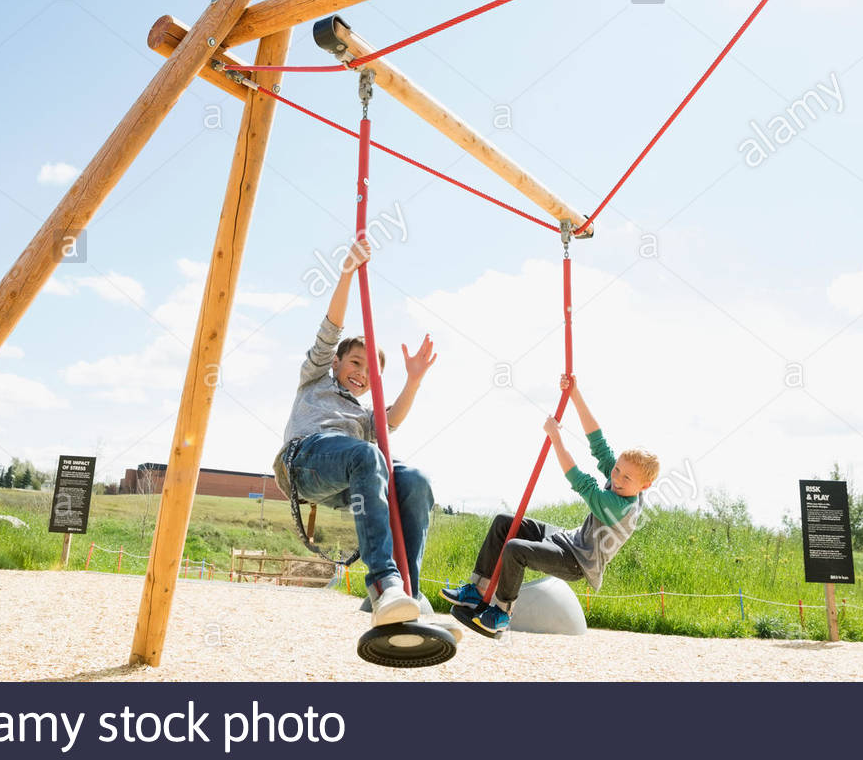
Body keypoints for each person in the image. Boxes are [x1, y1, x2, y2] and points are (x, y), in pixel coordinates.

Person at [273, 237, 439, 627]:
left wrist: (412, 380)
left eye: (370, 371)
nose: (361, 373)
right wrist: (347, 273)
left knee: (414, 480)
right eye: (355, 362)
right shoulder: (315, 379)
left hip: (347, 475)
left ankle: (404, 598)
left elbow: (391, 420)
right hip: (304, 462)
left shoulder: (363, 417)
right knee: (368, 454)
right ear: (336, 362)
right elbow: (329, 331)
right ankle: (383, 582)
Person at [441, 373, 659, 636]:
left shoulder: (620, 507)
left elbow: (581, 481)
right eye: (616, 470)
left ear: (644, 486)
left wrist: (555, 437)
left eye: (626, 477)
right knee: (503, 523)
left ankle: (501, 612)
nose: (616, 478)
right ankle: (477, 592)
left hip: (577, 560)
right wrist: (575, 394)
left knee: (515, 549)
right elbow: (598, 443)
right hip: (569, 538)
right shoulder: (622, 481)